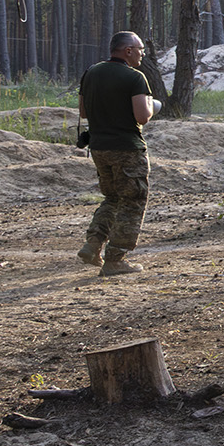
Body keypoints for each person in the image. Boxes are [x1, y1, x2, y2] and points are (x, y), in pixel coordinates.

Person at [76, 30, 158, 276]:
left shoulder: (91, 73)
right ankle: (115, 259)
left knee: (112, 199)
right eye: (140, 48)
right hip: (127, 150)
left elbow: (83, 112)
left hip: (99, 148)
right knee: (132, 202)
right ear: (128, 51)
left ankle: (93, 244)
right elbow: (142, 116)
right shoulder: (135, 77)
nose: (143, 53)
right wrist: (153, 107)